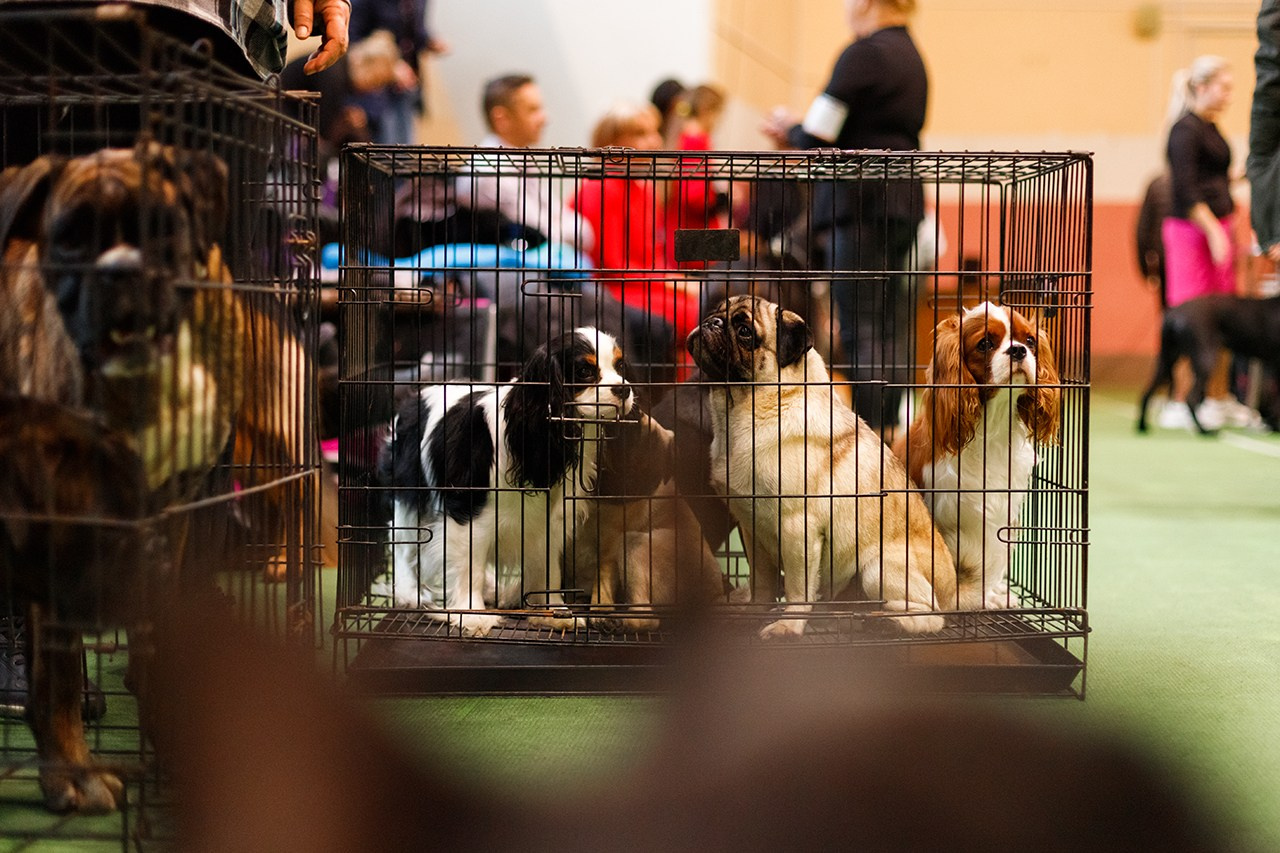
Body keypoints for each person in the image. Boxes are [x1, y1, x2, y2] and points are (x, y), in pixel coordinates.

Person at [760, 0, 927, 436]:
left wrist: (788, 128)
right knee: (890, 324)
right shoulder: (912, 56)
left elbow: (818, 131)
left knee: (861, 328)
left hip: (859, 206)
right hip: (903, 203)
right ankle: (892, 430)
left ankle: (872, 438)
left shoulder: (865, 52)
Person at [1157, 56, 1258, 430]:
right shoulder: (1183, 130)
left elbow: (1212, 180)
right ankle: (1180, 401)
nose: (1229, 94)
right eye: (1224, 86)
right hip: (1190, 233)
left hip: (1219, 228)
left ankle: (1216, 396)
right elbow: (1185, 189)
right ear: (1202, 86)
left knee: (1224, 316)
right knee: (1192, 314)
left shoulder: (1211, 129)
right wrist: (1214, 230)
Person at [569, 101, 702, 372]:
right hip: (608, 289)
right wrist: (668, 282)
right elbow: (612, 268)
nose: (655, 141)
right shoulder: (600, 188)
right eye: (641, 134)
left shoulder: (643, 190)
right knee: (692, 313)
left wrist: (672, 280)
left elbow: (653, 259)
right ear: (612, 143)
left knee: (703, 304)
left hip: (640, 285)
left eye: (654, 131)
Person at [453, 73, 595, 253]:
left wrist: (570, 231)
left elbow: (577, 228)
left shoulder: (523, 159)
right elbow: (540, 233)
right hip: (507, 274)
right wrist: (570, 232)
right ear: (501, 119)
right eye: (533, 110)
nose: (545, 118)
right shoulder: (488, 170)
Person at [348, 0, 448, 145]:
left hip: (407, 87)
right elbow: (353, 38)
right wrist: (390, 67)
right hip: (374, 89)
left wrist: (429, 41)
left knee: (405, 149)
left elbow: (416, 30)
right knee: (382, 152)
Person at [1136, 172, 1173, 309]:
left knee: (1168, 310)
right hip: (1193, 260)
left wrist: (1146, 270)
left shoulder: (1156, 185)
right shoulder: (1198, 183)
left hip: (1163, 258)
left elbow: (1142, 230)